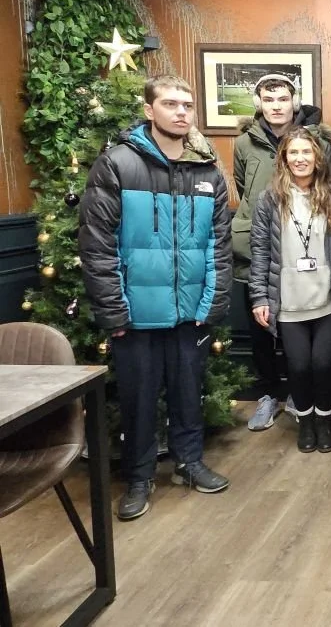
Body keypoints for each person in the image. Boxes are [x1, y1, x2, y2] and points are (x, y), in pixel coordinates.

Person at [79, 75, 232, 521]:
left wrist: (211, 304)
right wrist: (114, 310)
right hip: (136, 315)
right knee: (139, 400)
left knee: (188, 394)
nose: (182, 112)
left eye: (187, 104)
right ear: (149, 110)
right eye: (170, 104)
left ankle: (189, 462)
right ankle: (140, 477)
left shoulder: (207, 170)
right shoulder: (117, 164)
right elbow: (96, 244)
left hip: (191, 315)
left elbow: (217, 246)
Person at [233, 73, 331, 432]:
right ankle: (268, 395)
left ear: (294, 102)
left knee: (307, 346)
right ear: (259, 103)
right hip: (259, 250)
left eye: (282, 99)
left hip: (308, 252)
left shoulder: (317, 139)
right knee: (262, 329)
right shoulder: (245, 143)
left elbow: (330, 187)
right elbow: (242, 186)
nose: (276, 105)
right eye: (269, 99)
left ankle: (300, 397)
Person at [249, 128, 331, 453]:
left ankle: (324, 421)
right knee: (298, 366)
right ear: (284, 158)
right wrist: (258, 296)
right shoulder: (269, 200)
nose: (300, 159)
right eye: (293, 153)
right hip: (288, 302)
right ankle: (306, 421)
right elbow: (259, 252)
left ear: (317, 158)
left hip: (327, 299)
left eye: (306, 153)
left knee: (323, 364)